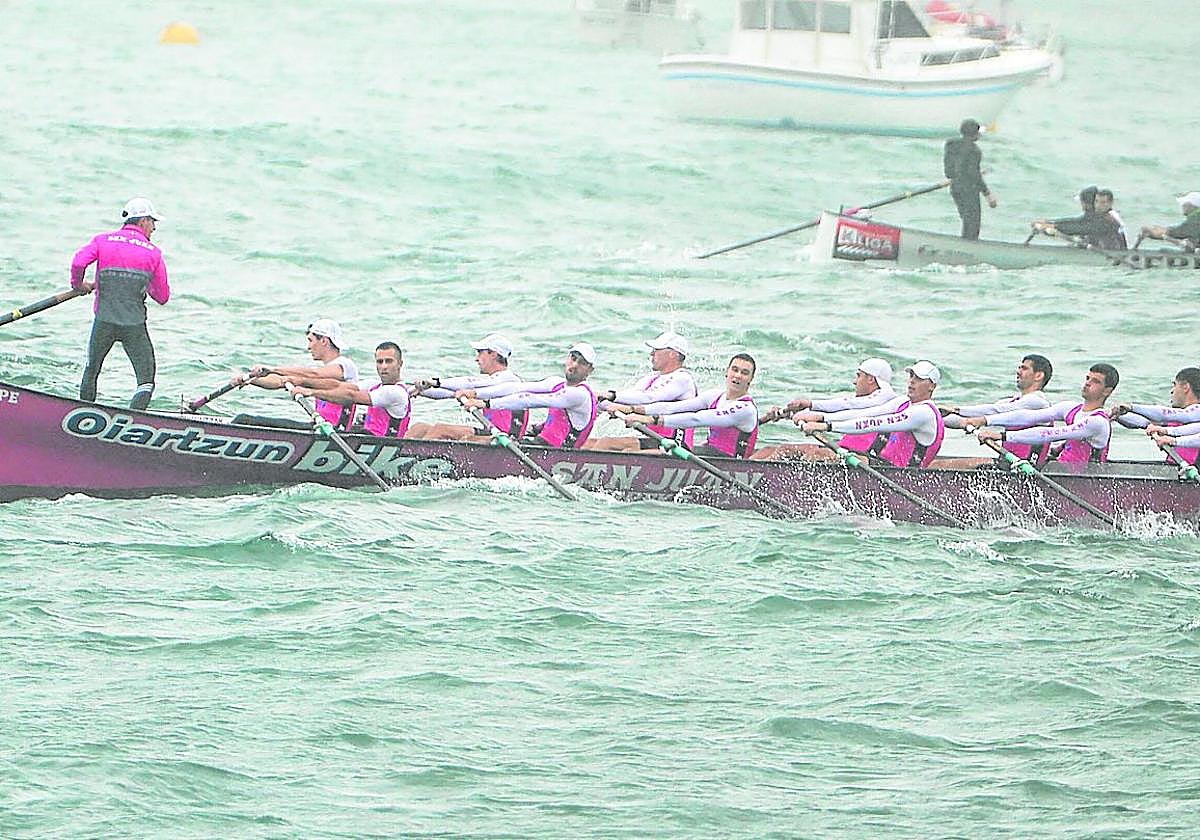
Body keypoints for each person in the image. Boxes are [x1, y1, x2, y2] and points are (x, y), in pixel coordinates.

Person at [71, 197, 170, 410]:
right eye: (153, 222)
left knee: (92, 370)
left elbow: (79, 262)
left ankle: (82, 416)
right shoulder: (154, 253)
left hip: (104, 321)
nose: (154, 228)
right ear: (142, 221)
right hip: (134, 326)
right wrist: (145, 284)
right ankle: (133, 419)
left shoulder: (102, 240)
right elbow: (162, 297)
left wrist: (79, 285)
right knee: (146, 380)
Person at [966, 364, 1119, 465]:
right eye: (1087, 378)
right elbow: (1027, 416)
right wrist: (985, 420)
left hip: (1084, 481)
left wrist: (1002, 436)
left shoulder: (1097, 422)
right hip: (1060, 471)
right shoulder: (1070, 408)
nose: (1087, 383)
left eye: (1096, 381)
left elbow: (1049, 434)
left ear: (1107, 391)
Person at [801, 361, 946, 468]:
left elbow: (875, 423)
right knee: (813, 453)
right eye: (911, 376)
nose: (912, 381)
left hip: (901, 476)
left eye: (919, 379)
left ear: (932, 386)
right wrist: (822, 417)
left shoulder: (924, 413)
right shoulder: (903, 401)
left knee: (821, 455)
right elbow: (866, 414)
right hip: (882, 467)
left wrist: (827, 427)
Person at [751, 357, 900, 461]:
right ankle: (744, 472)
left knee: (800, 453)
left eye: (859, 376)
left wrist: (811, 407)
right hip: (845, 451)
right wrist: (792, 414)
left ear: (871, 379)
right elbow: (841, 409)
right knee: (768, 450)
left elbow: (847, 407)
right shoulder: (869, 400)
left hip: (864, 459)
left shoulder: (885, 399)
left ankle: (760, 484)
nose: (855, 381)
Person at [460, 343, 599, 449]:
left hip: (556, 452)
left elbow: (529, 399)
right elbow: (516, 387)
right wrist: (475, 393)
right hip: (542, 443)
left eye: (582, 363)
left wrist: (485, 404)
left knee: (469, 440)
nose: (574, 365)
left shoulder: (579, 394)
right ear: (567, 358)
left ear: (590, 370)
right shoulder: (556, 382)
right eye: (573, 359)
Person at [621, 353, 759, 458]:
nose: (738, 375)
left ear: (751, 379)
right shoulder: (714, 396)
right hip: (709, 454)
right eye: (735, 370)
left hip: (729, 463)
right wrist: (634, 409)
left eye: (744, 373)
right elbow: (673, 408)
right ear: (726, 372)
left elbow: (697, 419)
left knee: (641, 453)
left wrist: (651, 420)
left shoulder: (746, 409)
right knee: (630, 449)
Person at [233, 319, 358, 430]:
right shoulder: (323, 370)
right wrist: (250, 379)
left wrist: (273, 368)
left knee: (244, 421)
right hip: (319, 427)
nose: (308, 347)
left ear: (324, 341)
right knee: (243, 420)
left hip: (334, 431)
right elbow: (280, 381)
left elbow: (315, 374)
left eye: (311, 341)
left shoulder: (345, 365)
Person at [934, 354, 1054, 469]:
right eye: (1019, 367)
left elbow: (995, 411)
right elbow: (968, 419)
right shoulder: (1012, 401)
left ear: (1038, 376)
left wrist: (956, 410)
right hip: (1007, 464)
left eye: (1024, 368)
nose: (1018, 372)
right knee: (937, 464)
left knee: (938, 466)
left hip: (1025, 468)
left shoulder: (1038, 403)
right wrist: (935, 418)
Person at [586, 331, 699, 452]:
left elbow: (649, 398)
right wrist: (592, 399)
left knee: (608, 444)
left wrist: (610, 395)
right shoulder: (652, 378)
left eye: (656, 350)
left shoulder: (682, 379)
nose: (651, 353)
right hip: (654, 440)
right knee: (587, 443)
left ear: (672, 354)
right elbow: (630, 398)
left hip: (676, 446)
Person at [406, 333, 525, 441]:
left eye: (480, 352)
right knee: (419, 428)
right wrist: (418, 390)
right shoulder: (489, 382)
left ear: (493, 354)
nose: (476, 358)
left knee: (440, 429)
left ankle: (414, 461)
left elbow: (469, 382)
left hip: (505, 438)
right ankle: (395, 458)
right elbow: (448, 393)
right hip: (489, 432)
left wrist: (435, 382)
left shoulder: (509, 379)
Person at [290, 341, 411, 438]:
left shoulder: (396, 392)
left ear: (400, 363)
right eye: (380, 362)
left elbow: (351, 396)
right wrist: (302, 381)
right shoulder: (374, 385)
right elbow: (339, 386)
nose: (384, 366)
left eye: (389, 361)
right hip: (365, 439)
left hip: (382, 446)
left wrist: (311, 392)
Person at [1112, 367, 1200, 466]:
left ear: (1185, 387)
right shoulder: (1178, 420)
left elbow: (1164, 414)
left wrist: (1132, 407)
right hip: (1178, 470)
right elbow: (1144, 423)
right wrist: (1114, 415)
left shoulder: (1195, 412)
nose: (1172, 391)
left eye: (1175, 385)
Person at [944, 118, 996, 240]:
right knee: (973, 223)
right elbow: (974, 175)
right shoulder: (974, 151)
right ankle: (968, 246)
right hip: (969, 189)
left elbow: (950, 172)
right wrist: (988, 194)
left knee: (966, 219)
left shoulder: (950, 145)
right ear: (975, 135)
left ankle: (965, 243)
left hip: (955, 187)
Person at [1035, 188, 1126, 249]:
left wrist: (1054, 227)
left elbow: (1080, 228)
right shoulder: (1098, 216)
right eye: (1097, 202)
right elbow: (1077, 221)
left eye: (1103, 203)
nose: (1098, 206)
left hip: (1114, 255)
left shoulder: (1108, 220)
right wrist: (1050, 223)